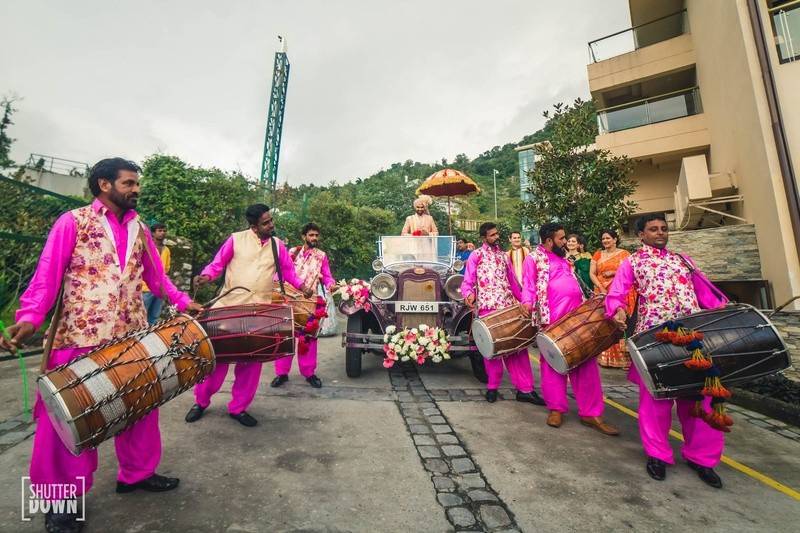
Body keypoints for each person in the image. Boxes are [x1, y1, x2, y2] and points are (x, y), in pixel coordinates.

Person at [0, 158, 203, 533]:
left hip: (130, 338)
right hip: (78, 336)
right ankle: (62, 501)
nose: (136, 189)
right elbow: (47, 275)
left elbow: (157, 278)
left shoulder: (140, 228)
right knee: (66, 422)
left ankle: (137, 474)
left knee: (142, 406)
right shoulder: (73, 221)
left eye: (135, 183)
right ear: (104, 184)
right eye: (128, 183)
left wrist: (183, 301)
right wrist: (30, 318)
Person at [606, 213, 727, 489]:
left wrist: (722, 308)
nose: (660, 233)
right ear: (642, 235)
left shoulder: (684, 260)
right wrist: (618, 310)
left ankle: (702, 458)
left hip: (693, 338)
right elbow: (617, 293)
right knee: (656, 401)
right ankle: (657, 455)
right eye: (653, 229)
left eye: (663, 228)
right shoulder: (632, 262)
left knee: (698, 399)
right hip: (654, 338)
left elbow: (706, 292)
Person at [185, 204, 311, 428]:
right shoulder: (236, 239)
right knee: (217, 360)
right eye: (266, 222)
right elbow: (217, 264)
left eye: (271, 220)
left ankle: (239, 407)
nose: (271, 225)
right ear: (253, 226)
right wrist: (205, 276)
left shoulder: (277, 245)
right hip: (228, 308)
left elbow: (289, 271)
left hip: (259, 311)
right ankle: (201, 402)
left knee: (251, 362)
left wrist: (302, 287)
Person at [521, 222, 618, 435]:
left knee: (586, 362)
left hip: (576, 317)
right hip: (551, 319)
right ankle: (556, 409)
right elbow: (528, 283)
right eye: (561, 238)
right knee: (553, 364)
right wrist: (527, 303)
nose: (565, 242)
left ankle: (591, 413)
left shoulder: (564, 258)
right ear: (548, 240)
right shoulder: (533, 258)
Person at [460, 222, 544, 406]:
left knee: (517, 349)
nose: (496, 237)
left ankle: (525, 390)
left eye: (497, 234)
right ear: (484, 238)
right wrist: (468, 294)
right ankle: (492, 387)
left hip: (508, 308)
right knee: (492, 352)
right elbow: (468, 281)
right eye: (492, 235)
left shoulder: (504, 256)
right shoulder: (476, 255)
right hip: (487, 309)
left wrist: (525, 302)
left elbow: (513, 282)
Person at [272, 222, 335, 389]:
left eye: (316, 235)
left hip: (309, 300)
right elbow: (280, 272)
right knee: (285, 336)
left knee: (308, 338)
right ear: (304, 236)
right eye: (311, 235)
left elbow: (327, 276)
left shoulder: (321, 256)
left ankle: (309, 373)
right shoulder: (292, 252)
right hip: (289, 298)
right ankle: (281, 373)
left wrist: (331, 285)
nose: (314, 238)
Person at [590, 229, 635, 369]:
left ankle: (624, 359)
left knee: (621, 322)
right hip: (602, 291)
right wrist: (600, 287)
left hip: (620, 292)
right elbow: (592, 273)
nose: (605, 241)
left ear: (615, 239)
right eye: (603, 239)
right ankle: (605, 358)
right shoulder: (598, 254)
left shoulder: (625, 254)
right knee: (605, 323)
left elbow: (630, 272)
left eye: (608, 238)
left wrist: (615, 272)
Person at [141, 223, 172, 324]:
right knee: (142, 314)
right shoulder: (147, 247)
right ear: (153, 233)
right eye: (159, 231)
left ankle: (150, 337)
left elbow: (166, 269)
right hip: (146, 287)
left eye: (164, 231)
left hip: (160, 288)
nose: (162, 233)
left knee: (154, 316)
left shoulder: (166, 250)